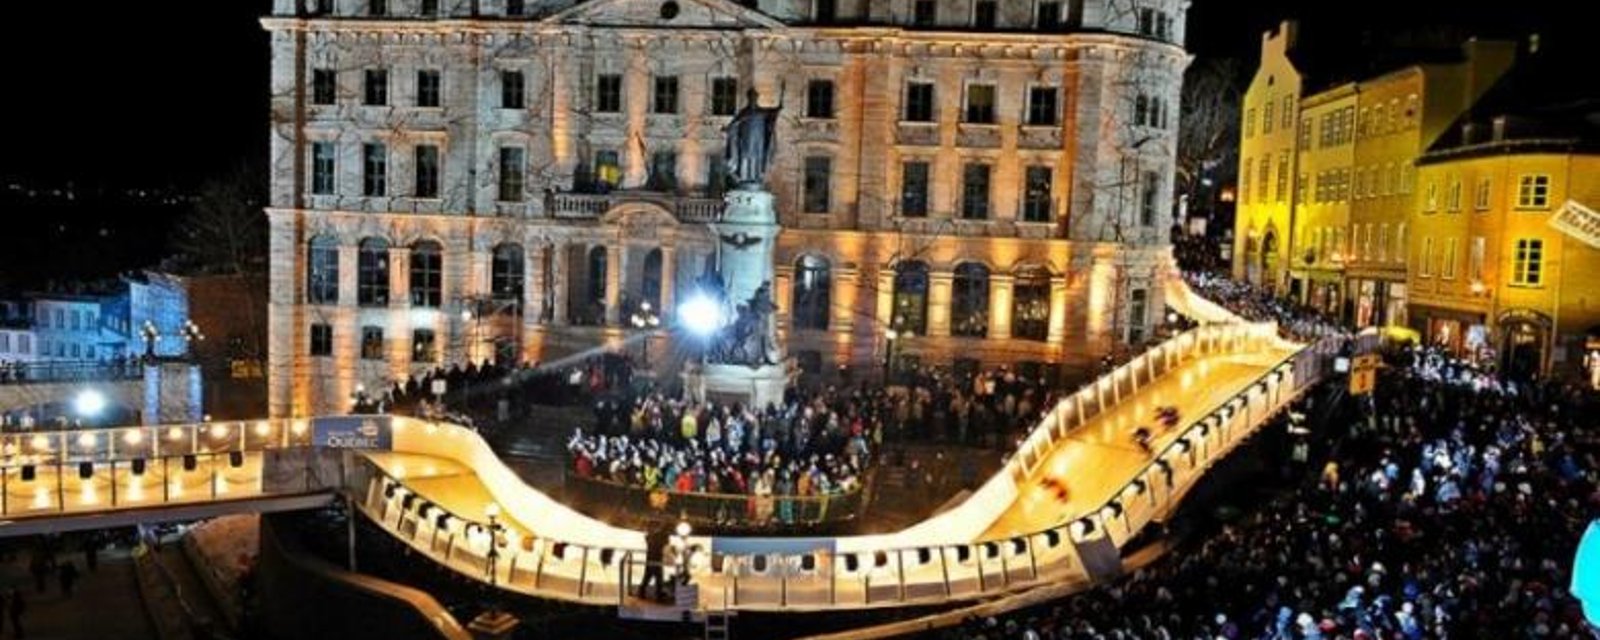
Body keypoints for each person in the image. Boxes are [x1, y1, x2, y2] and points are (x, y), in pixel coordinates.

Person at [638, 524, 671, 602]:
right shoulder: (663, 536)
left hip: (650, 559)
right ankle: (658, 595)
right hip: (657, 559)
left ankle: (641, 592)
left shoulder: (652, 536)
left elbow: (647, 539)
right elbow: (665, 546)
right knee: (659, 578)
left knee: (647, 577)